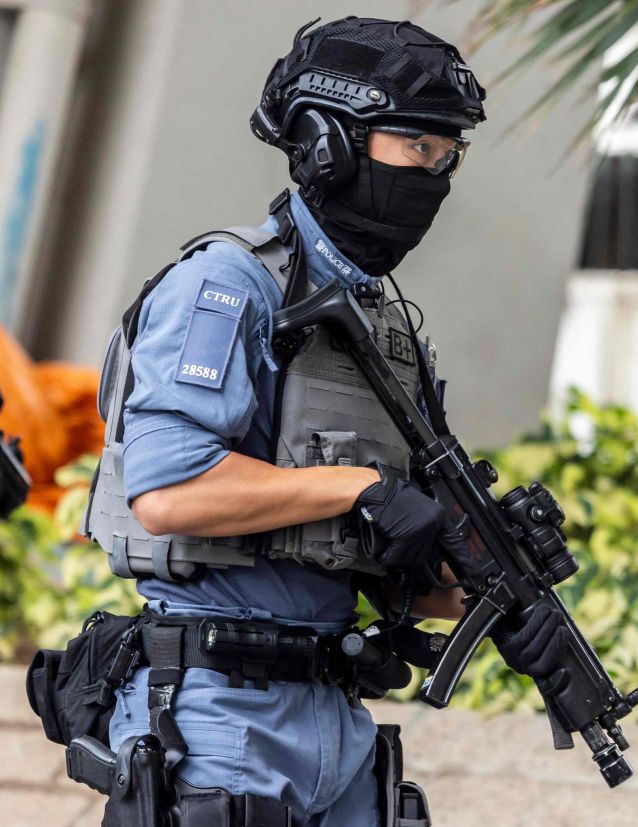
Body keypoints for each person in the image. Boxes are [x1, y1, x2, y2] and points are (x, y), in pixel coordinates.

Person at [72, 15, 569, 827]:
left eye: (450, 156)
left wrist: (491, 595)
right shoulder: (228, 285)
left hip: (336, 720)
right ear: (329, 144)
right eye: (416, 146)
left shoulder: (387, 328)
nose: (435, 175)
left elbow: (379, 550)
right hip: (221, 715)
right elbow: (166, 488)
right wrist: (364, 486)